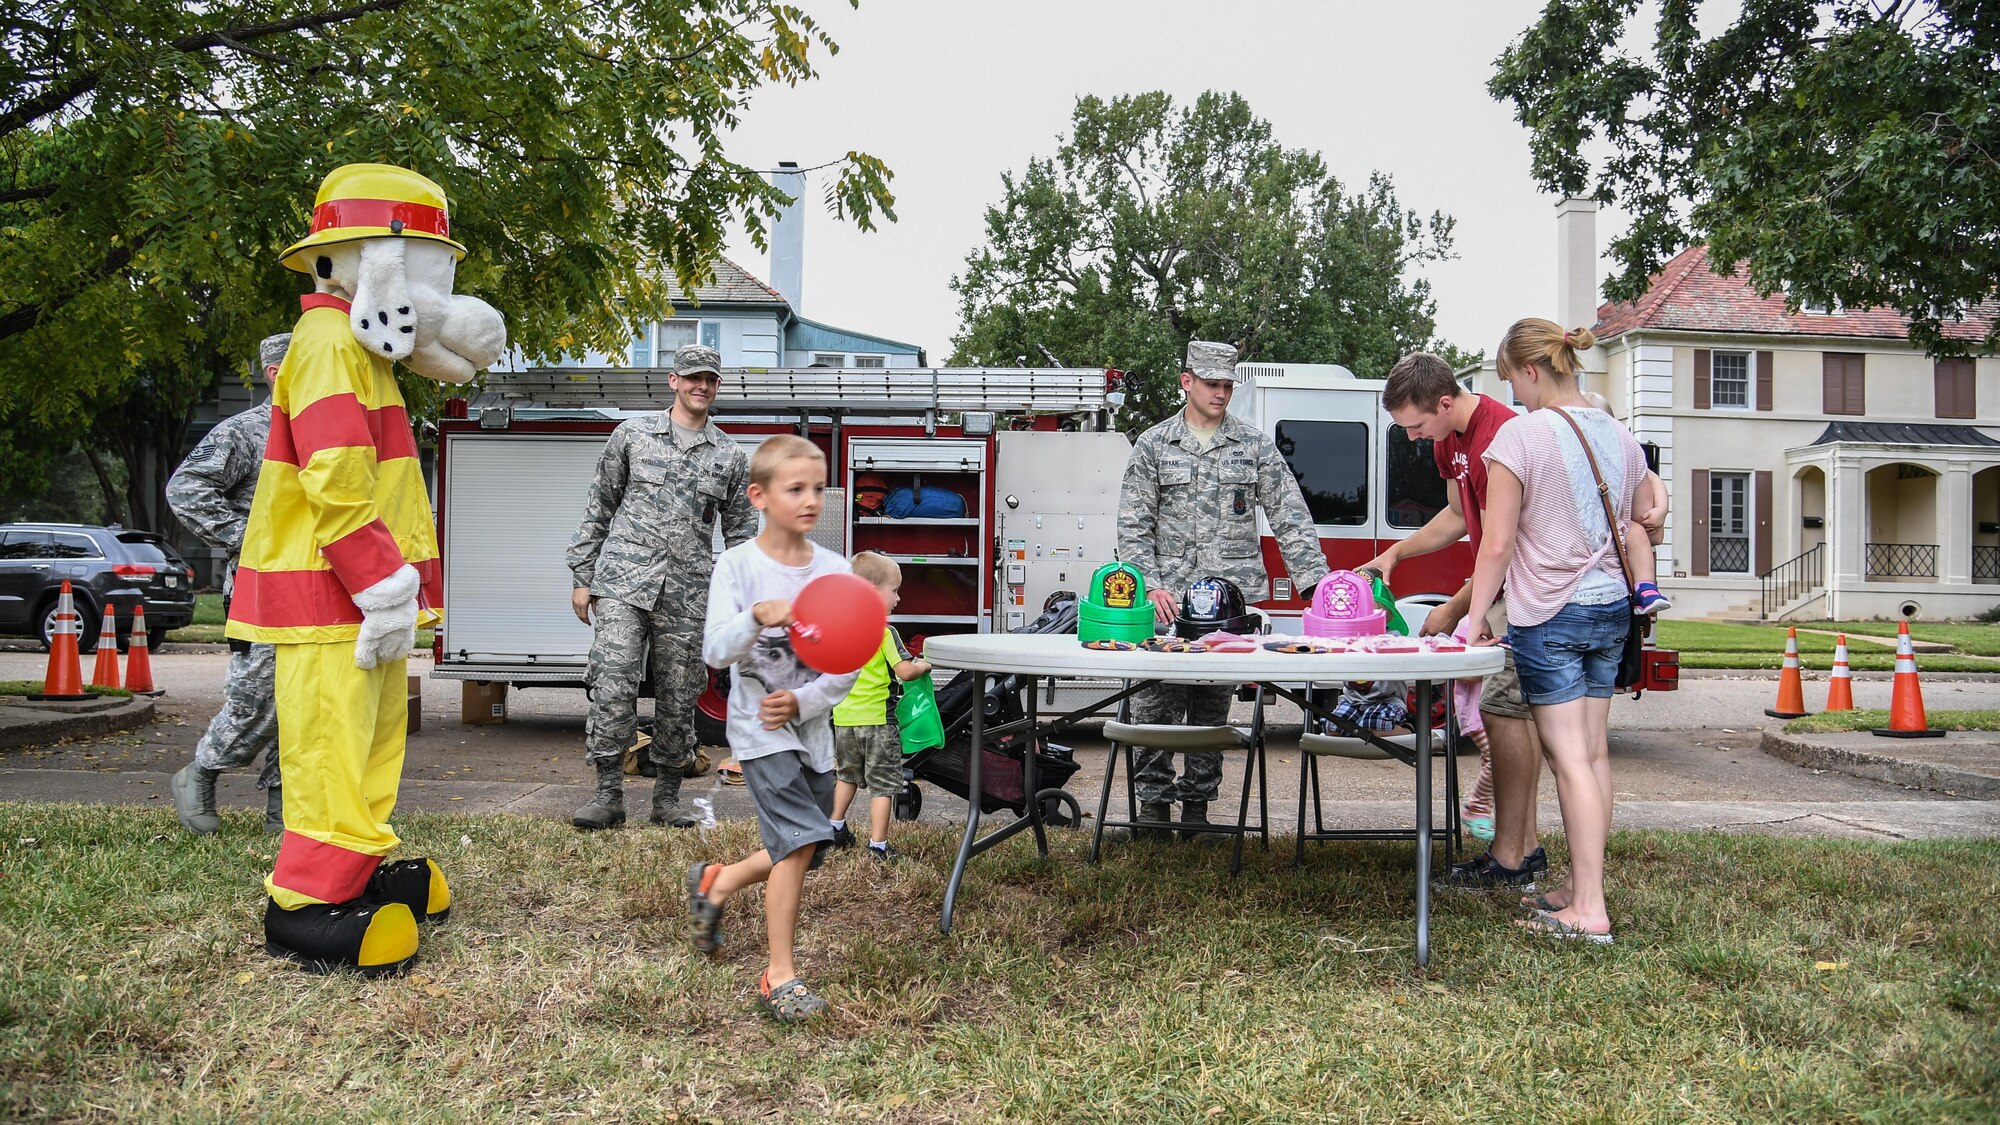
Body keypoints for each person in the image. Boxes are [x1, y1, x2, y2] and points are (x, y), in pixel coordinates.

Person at [230, 161, 507, 974]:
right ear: (372, 261)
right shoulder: (325, 345)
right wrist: (380, 581)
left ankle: (354, 871)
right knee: (328, 750)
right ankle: (306, 905)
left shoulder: (364, 353)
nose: (438, 289)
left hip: (356, 601)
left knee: (372, 742)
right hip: (331, 599)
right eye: (429, 265)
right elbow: (336, 479)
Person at [1464, 319, 1647, 944]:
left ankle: (1588, 910)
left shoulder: (1520, 436)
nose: (1513, 394)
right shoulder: (1620, 436)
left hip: (1550, 609)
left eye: (1512, 379)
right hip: (1612, 609)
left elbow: (1497, 544)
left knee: (1569, 758)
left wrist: (1470, 622)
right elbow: (1647, 513)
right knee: (1593, 755)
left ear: (1531, 369)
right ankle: (1580, 886)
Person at [1116, 339, 1328, 838]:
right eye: (1212, 384)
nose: (1221, 394)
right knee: (1154, 707)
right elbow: (1132, 525)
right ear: (1187, 382)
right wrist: (1148, 586)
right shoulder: (1153, 444)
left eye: (1228, 385)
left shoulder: (1252, 445)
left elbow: (1289, 513)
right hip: (1166, 606)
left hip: (1226, 608)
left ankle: (1197, 813)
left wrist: (1315, 583)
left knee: (1211, 709)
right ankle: (1151, 812)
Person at [687, 435, 860, 1022]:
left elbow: (848, 662)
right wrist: (754, 617)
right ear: (759, 496)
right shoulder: (737, 566)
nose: (811, 500)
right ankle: (779, 975)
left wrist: (805, 701)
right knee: (799, 844)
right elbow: (714, 651)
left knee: (807, 845)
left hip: (811, 731)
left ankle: (718, 881)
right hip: (759, 734)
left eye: (818, 488)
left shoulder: (835, 571)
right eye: (796, 489)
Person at [1360, 351, 1548, 891]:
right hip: (1499, 587)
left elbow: (1499, 544)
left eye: (1417, 426)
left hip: (1526, 589)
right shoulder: (1450, 440)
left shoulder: (1499, 436)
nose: (1414, 438)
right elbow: (1457, 518)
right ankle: (1518, 848)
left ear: (1445, 402)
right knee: (1503, 715)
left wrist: (1454, 610)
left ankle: (1514, 856)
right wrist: (1398, 552)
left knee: (1507, 714)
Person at [567, 343, 757, 830]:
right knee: (613, 684)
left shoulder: (730, 456)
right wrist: (582, 577)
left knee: (678, 695)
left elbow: (739, 536)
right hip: (622, 586)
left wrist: (739, 600)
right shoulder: (631, 436)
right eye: (693, 377)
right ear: (674, 380)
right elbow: (599, 507)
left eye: (711, 380)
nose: (702, 386)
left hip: (689, 595)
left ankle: (666, 799)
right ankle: (607, 794)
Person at [166, 332, 290, 836]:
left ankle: (285, 813)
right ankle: (201, 772)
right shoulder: (245, 432)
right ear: (276, 372)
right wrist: (248, 538)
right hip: (262, 591)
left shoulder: (325, 435)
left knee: (307, 705)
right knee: (258, 699)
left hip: (320, 590)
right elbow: (186, 489)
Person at [828, 550, 931, 862]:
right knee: (883, 786)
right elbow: (904, 671)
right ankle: (878, 846)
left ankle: (834, 827)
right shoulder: (884, 632)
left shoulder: (839, 628)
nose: (898, 598)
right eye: (894, 590)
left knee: (846, 776)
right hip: (877, 723)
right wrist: (925, 664)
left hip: (844, 720)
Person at [1581, 391, 1672, 613]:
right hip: (1592, 531)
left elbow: (1654, 480)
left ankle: (1646, 587)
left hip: (1622, 523)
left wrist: (1660, 511)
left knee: (1637, 532)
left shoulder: (1625, 456)